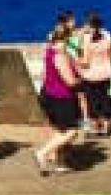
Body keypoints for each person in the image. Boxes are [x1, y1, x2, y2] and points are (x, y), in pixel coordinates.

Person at [34, 21, 82, 175]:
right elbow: (70, 81)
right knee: (71, 131)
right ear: (67, 37)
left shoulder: (49, 49)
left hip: (48, 94)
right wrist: (82, 82)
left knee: (59, 130)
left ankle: (60, 162)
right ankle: (42, 153)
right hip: (61, 97)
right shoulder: (60, 55)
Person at [77, 11, 111, 137]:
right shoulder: (108, 35)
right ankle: (105, 128)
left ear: (89, 25)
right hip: (105, 72)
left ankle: (95, 128)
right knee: (104, 100)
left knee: (92, 103)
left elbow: (85, 61)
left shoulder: (87, 39)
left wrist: (76, 62)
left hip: (91, 75)